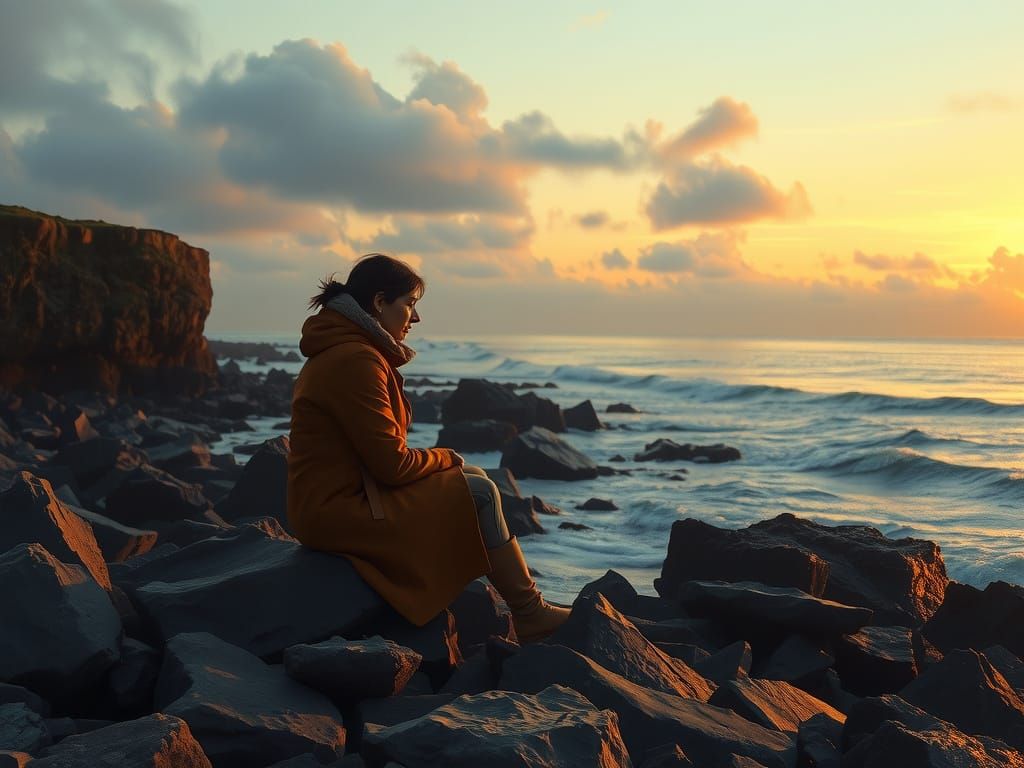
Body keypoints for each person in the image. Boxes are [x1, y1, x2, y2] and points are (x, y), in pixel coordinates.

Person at [287, 253, 570, 643]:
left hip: (336, 498)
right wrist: (444, 457)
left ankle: (522, 606)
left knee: (472, 478)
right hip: (336, 511)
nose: (415, 319)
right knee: (482, 492)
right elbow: (392, 466)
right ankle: (529, 612)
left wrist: (448, 466)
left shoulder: (348, 350)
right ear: (379, 302)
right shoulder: (357, 360)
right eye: (410, 305)